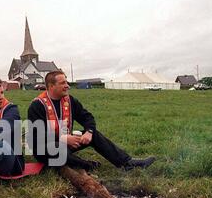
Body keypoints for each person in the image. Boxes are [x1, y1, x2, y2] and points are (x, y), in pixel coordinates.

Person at [27, 71, 156, 171]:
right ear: (50, 86)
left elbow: (87, 117)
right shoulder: (37, 105)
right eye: (63, 83)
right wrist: (63, 139)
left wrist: (88, 132)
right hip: (44, 148)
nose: (67, 86)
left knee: (94, 135)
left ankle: (127, 163)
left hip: (66, 142)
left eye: (66, 82)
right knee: (60, 151)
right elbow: (37, 136)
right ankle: (87, 165)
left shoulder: (70, 100)